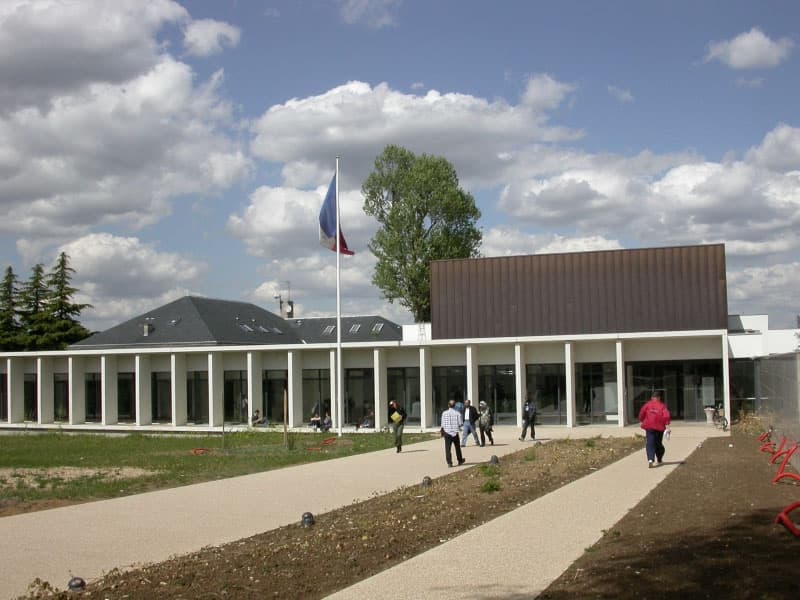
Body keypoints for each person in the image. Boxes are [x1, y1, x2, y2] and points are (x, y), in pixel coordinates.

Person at [638, 391, 671, 468]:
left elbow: (641, 413)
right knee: (658, 443)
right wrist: (667, 426)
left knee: (650, 442)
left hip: (649, 426)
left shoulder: (647, 405)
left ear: (652, 398)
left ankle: (650, 459)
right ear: (659, 398)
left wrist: (641, 420)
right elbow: (666, 416)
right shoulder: (662, 406)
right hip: (659, 427)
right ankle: (659, 459)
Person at [441, 399, 465, 467]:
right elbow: (460, 424)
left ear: (448, 405)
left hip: (447, 433)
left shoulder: (444, 413)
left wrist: (443, 431)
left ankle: (449, 463)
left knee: (447, 448)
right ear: (454, 406)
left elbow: (442, 424)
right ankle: (460, 460)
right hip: (455, 433)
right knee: (457, 447)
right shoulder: (458, 413)